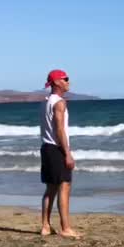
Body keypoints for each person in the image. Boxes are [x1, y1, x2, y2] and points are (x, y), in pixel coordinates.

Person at [39, 69, 80, 238]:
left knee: (51, 189)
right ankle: (65, 228)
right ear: (56, 82)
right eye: (65, 79)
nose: (68, 82)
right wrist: (68, 153)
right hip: (56, 149)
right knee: (64, 187)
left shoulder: (45, 102)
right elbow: (60, 130)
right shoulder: (59, 103)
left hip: (46, 148)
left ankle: (45, 226)